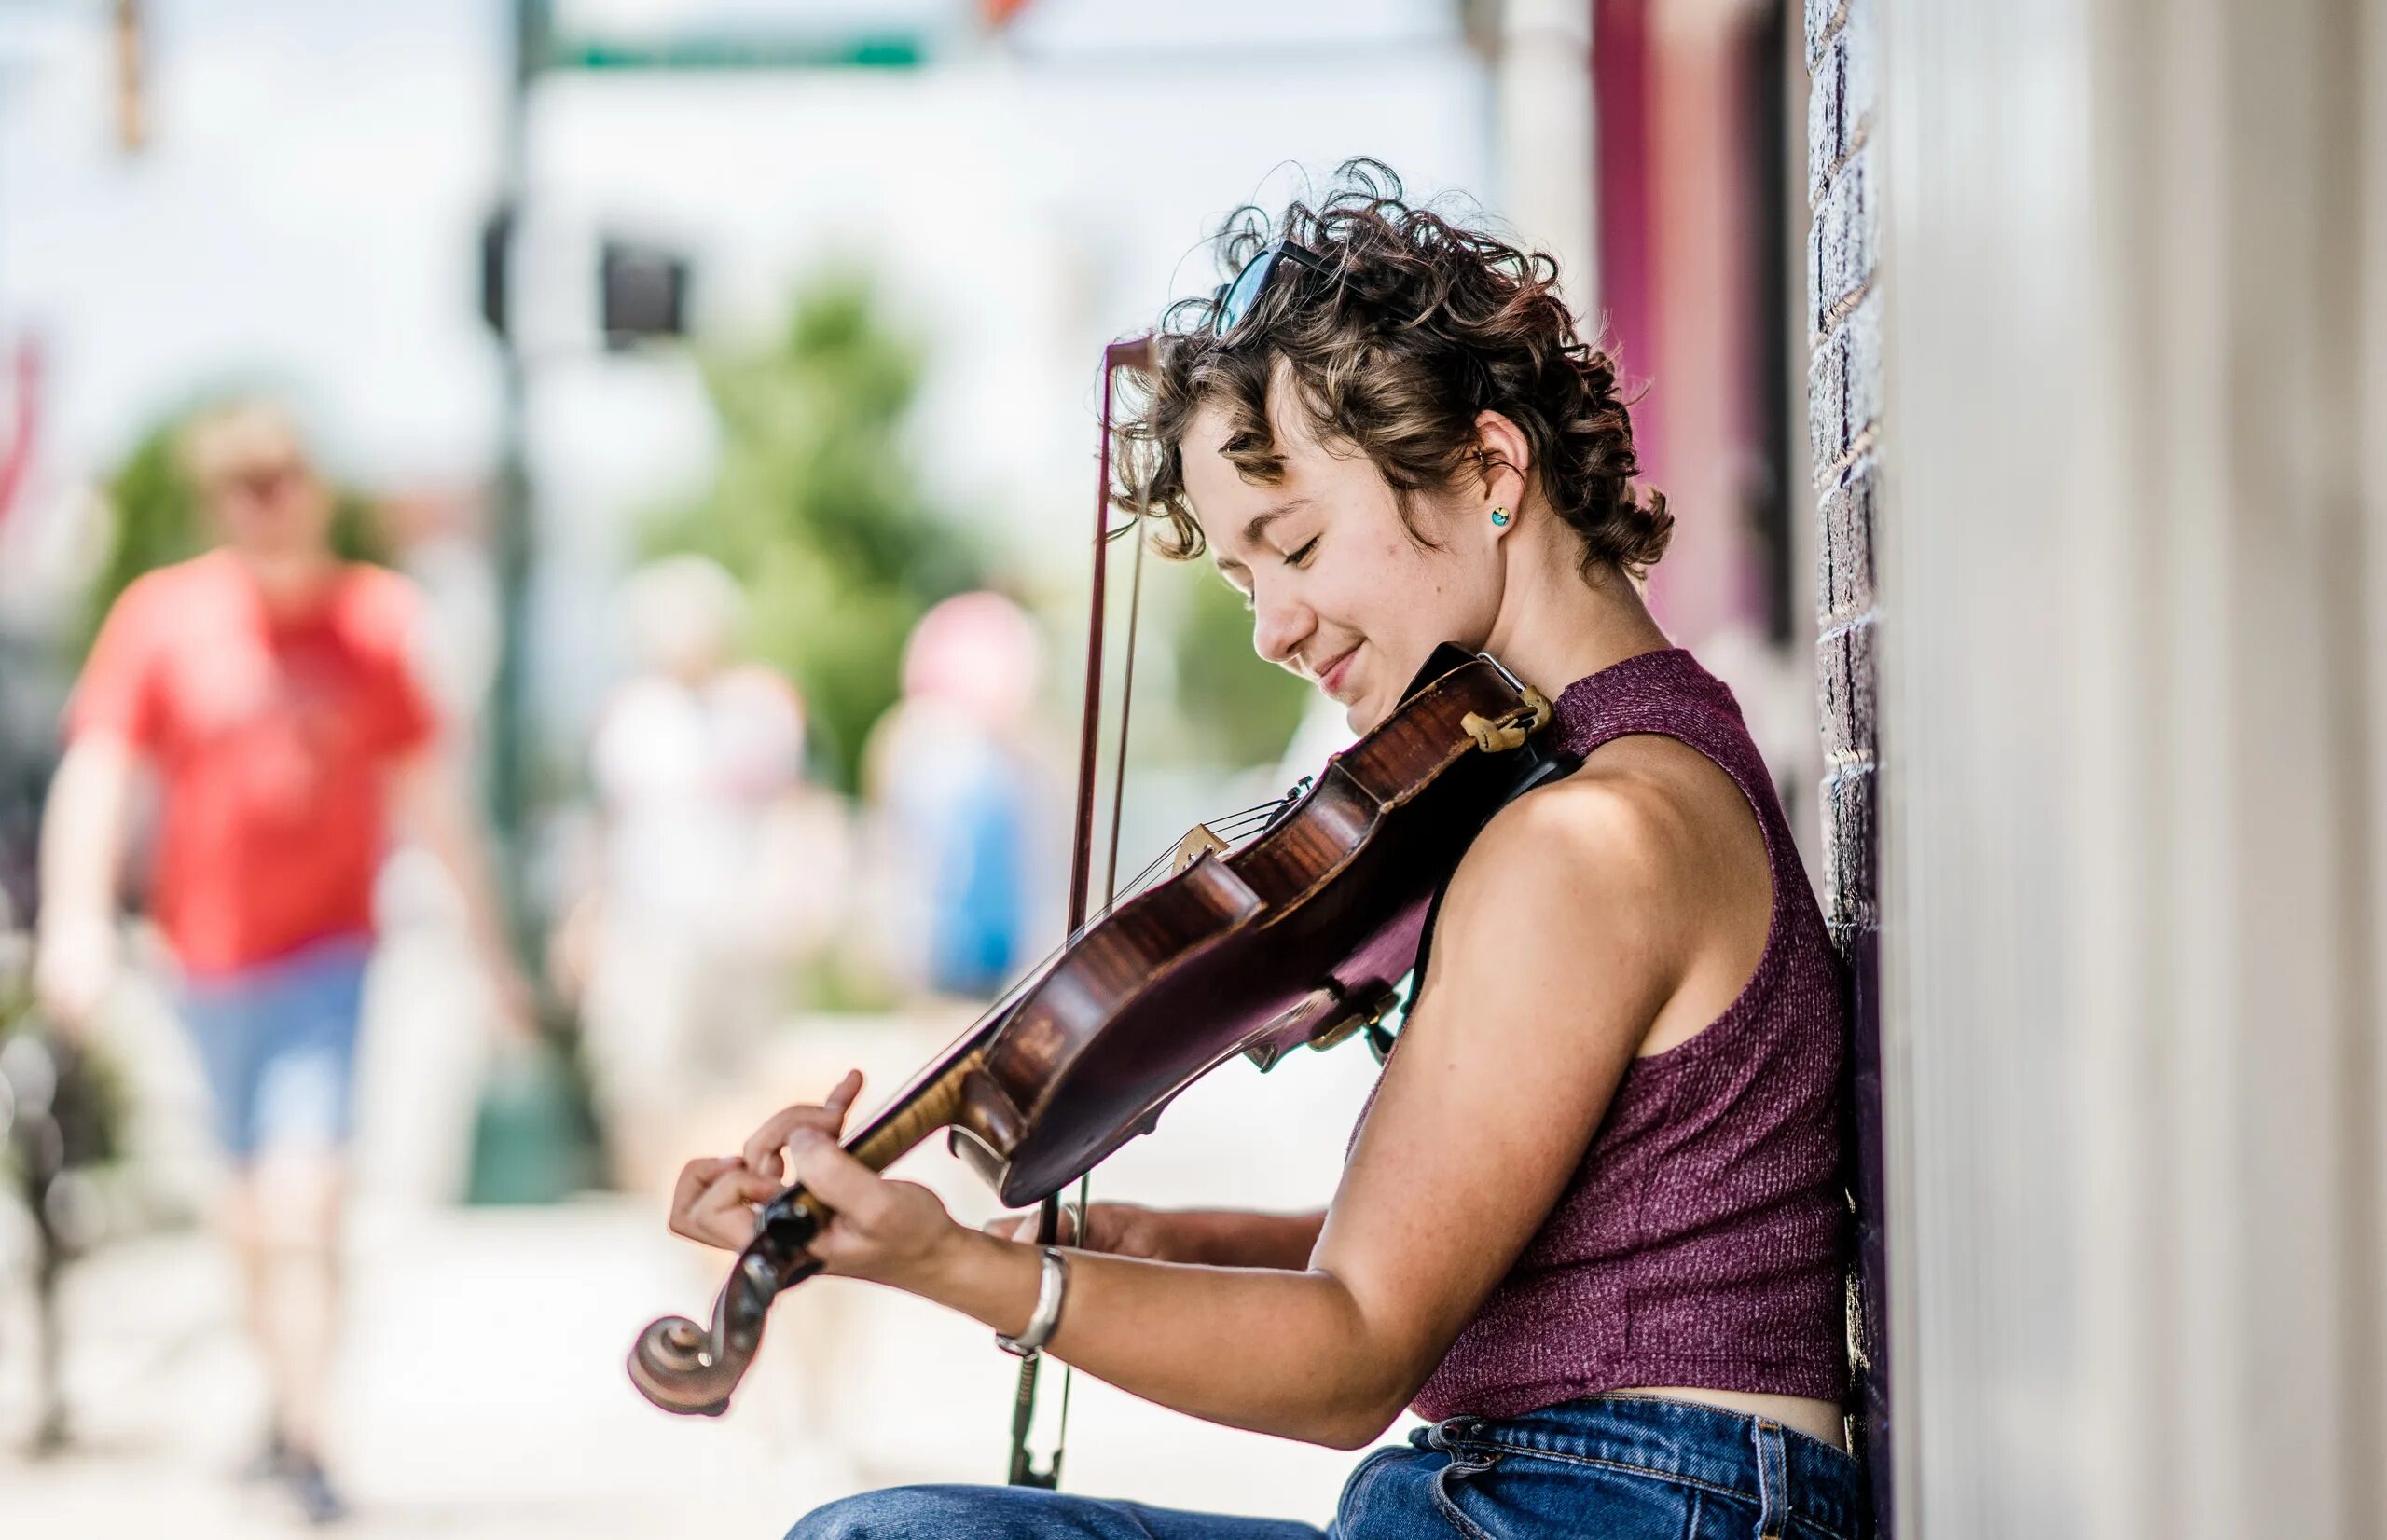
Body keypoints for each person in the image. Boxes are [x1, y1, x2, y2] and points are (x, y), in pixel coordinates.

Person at [667, 164, 1865, 1540]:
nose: (1275, 628)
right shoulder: (1627, 758)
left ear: (1489, 469)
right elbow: (1436, 1248)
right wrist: (1105, 1246)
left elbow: (1355, 1349)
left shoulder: (1595, 835)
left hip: (1619, 1506)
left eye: (1291, 544)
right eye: (1243, 580)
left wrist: (964, 1274)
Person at [33, 399, 529, 1525]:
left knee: (308, 1192)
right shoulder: (164, 617)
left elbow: (436, 804)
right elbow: (101, 769)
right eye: (239, 484)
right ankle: (279, 1395)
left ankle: (311, 1434)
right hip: (201, 959)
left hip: (330, 956)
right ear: (218, 500)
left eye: (281, 478)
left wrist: (494, 958)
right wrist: (73, 917)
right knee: (243, 1208)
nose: (263, 502)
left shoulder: (374, 623)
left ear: (315, 488)